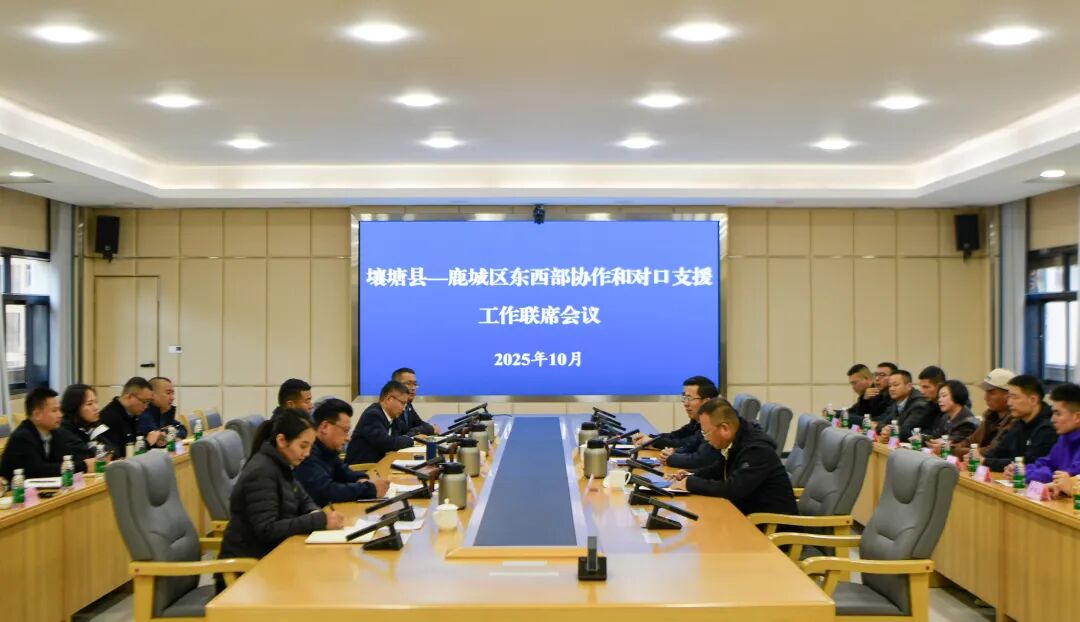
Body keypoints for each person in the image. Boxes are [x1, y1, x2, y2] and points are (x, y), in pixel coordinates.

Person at [218, 409, 345, 569]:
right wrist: (319, 520)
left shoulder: (283, 464)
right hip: (248, 568)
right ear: (281, 440)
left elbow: (304, 499)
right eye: (303, 446)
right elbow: (266, 530)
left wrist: (314, 513)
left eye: (310, 447)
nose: (307, 453)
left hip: (272, 555)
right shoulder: (262, 472)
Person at [668, 397, 797, 516]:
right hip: (746, 514)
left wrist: (690, 483)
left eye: (706, 433)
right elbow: (719, 469)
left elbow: (733, 489)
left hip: (769, 524)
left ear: (725, 428)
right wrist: (690, 474)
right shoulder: (737, 440)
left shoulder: (757, 450)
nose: (705, 439)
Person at [295, 399, 390, 506]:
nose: (348, 438)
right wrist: (369, 489)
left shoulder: (328, 449)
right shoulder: (307, 453)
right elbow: (326, 491)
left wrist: (361, 478)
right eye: (345, 431)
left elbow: (344, 472)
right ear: (325, 427)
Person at [1, 387, 98, 480]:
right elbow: (39, 470)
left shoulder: (54, 433)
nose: (60, 415)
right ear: (37, 415)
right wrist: (84, 466)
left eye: (59, 410)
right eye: (54, 411)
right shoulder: (22, 438)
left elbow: (66, 459)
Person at [979, 375, 1056, 473]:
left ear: (1033, 400)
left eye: (1014, 397)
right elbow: (998, 452)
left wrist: (986, 462)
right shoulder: (1018, 423)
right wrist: (979, 458)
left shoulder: (1049, 427)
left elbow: (1030, 462)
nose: (1009, 403)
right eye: (1009, 397)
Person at [1022, 383, 1080, 496]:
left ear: (1077, 417)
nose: (1052, 419)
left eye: (1058, 414)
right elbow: (1045, 464)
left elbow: (1070, 478)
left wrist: (1032, 474)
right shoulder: (1064, 438)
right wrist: (1021, 470)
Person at [633, 376, 718, 450]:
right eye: (684, 398)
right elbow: (676, 435)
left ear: (707, 402)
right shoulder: (696, 421)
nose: (685, 404)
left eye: (689, 398)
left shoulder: (714, 423)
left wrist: (652, 442)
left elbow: (686, 444)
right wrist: (650, 438)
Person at [345, 381, 416, 465]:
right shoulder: (373, 415)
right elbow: (387, 443)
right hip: (362, 468)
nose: (404, 409)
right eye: (402, 403)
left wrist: (413, 436)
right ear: (389, 399)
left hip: (380, 464)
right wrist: (412, 440)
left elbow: (407, 431)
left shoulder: (393, 416)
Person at [958, 368, 1016, 458]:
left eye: (991, 393)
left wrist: (958, 451)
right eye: (986, 392)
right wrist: (952, 447)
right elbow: (970, 441)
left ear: (1008, 394)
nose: (986, 398)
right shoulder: (990, 417)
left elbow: (993, 451)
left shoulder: (1015, 421)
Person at [99, 377, 158, 458]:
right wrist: (147, 443)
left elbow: (135, 441)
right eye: (144, 402)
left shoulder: (131, 415)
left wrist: (156, 442)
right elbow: (119, 454)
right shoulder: (110, 417)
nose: (146, 406)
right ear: (129, 396)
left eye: (148, 403)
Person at [59, 384, 116, 458]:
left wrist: (98, 450)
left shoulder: (90, 425)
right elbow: (85, 454)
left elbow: (114, 449)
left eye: (96, 402)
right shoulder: (65, 429)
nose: (96, 408)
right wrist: (99, 450)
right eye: (89, 404)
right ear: (75, 407)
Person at [876, 370, 932, 442]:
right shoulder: (897, 401)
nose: (891, 389)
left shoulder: (919, 404)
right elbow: (881, 422)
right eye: (890, 386)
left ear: (909, 386)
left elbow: (906, 431)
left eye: (895, 385)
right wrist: (885, 429)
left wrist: (890, 431)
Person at [926, 381, 978, 457]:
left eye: (944, 396)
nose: (939, 400)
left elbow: (953, 442)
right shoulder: (945, 417)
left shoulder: (968, 422)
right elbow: (935, 436)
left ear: (956, 395)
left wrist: (936, 442)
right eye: (939, 397)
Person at [137, 377, 187, 446]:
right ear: (152, 395)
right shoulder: (144, 415)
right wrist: (170, 431)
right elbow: (159, 438)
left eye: (173, 393)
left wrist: (169, 432)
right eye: (168, 393)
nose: (172, 398)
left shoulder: (165, 412)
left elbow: (182, 429)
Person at [390, 368, 438, 437]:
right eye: (408, 384)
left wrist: (431, 427)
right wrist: (430, 429)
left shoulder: (408, 405)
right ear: (395, 386)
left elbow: (419, 423)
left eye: (415, 384)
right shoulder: (391, 408)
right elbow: (402, 436)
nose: (413, 388)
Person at [916, 366, 948, 434]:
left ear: (940, 386)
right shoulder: (928, 406)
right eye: (921, 387)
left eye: (926, 387)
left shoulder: (951, 408)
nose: (922, 391)